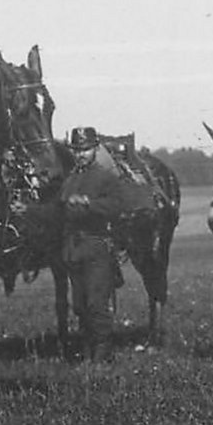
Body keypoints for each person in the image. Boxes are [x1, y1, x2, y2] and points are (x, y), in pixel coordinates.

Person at [59, 127, 153, 362]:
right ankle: (89, 351)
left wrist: (89, 204)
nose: (81, 154)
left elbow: (117, 205)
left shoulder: (105, 177)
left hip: (96, 246)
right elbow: (57, 209)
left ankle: (103, 356)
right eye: (77, 150)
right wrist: (29, 211)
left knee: (96, 304)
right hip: (73, 249)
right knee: (79, 305)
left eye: (86, 149)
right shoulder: (70, 179)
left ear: (95, 149)